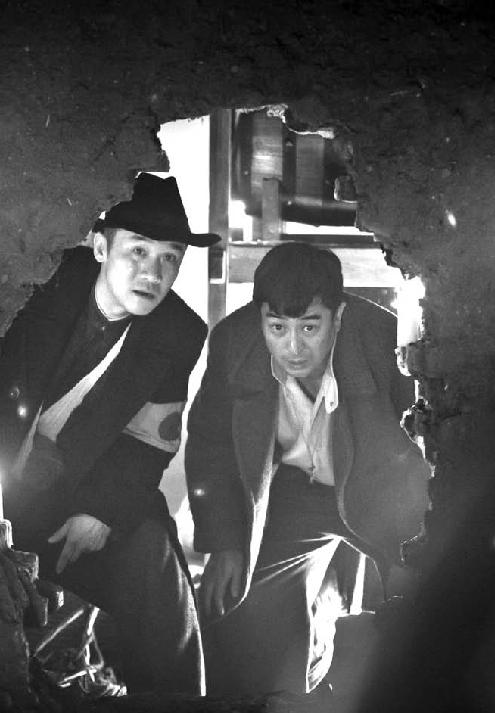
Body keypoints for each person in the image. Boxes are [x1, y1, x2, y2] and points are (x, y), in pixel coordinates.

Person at [0, 173, 219, 695]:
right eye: (138, 251)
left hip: (79, 488)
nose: (153, 273)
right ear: (101, 247)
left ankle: (176, 700)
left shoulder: (179, 331)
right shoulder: (41, 284)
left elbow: (150, 441)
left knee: (154, 556)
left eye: (171, 257)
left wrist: (101, 511)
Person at [184, 241, 430, 696]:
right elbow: (210, 443)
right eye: (277, 327)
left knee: (419, 616)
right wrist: (224, 541)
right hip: (293, 496)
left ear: (339, 316)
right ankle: (292, 689)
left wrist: (417, 544)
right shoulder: (234, 341)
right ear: (260, 317)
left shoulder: (386, 343)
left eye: (310, 327)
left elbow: (425, 447)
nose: (293, 347)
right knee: (240, 614)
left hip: (383, 494)